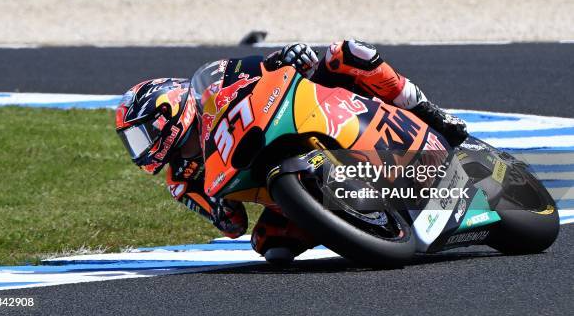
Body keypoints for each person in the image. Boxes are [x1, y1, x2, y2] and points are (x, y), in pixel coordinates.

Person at [115, 40, 468, 263]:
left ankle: (428, 111)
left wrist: (287, 57)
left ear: (167, 111)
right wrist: (220, 207)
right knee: (270, 246)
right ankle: (358, 220)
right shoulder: (181, 180)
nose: (141, 149)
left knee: (347, 52)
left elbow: (264, 65)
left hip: (302, 111)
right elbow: (233, 225)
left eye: (141, 136)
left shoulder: (215, 80)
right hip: (273, 181)